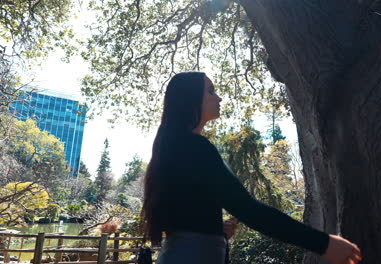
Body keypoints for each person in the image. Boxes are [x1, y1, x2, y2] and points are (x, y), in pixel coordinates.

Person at [141, 72, 362, 264]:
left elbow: (183, 215)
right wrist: (324, 243)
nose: (218, 97)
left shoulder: (176, 147)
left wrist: (215, 230)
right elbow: (248, 210)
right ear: (190, 99)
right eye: (210, 91)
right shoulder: (194, 147)